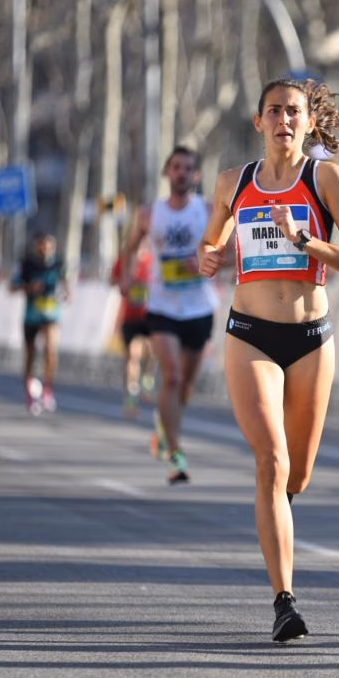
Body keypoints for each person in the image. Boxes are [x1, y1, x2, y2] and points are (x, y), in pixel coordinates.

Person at [197, 78, 339, 642]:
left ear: (309, 123)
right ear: (258, 121)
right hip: (249, 335)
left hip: (311, 339)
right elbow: (213, 243)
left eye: (293, 112)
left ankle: (281, 509)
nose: (284, 121)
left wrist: (308, 242)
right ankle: (284, 602)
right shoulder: (233, 182)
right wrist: (209, 255)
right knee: (270, 463)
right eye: (274, 111)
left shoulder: (325, 179)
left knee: (297, 473)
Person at [121, 146, 218, 483]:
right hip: (162, 307)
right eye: (176, 166)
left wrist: (207, 260)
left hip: (200, 307)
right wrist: (126, 275)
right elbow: (130, 249)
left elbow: (231, 252)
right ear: (167, 172)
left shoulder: (207, 210)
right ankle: (175, 454)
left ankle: (165, 426)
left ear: (196, 175)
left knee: (187, 384)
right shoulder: (150, 214)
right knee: (172, 376)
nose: (181, 173)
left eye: (188, 168)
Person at [11, 232, 68, 415]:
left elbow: (66, 285)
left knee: (50, 350)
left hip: (51, 314)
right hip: (31, 316)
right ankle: (29, 391)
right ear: (36, 246)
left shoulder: (59, 264)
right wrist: (29, 287)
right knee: (30, 354)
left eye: (49, 246)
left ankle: (47, 388)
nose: (45, 249)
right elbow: (12, 287)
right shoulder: (27, 264)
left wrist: (66, 292)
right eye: (41, 245)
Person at [110, 241, 153, 419]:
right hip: (129, 316)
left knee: (152, 353)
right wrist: (124, 282)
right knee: (132, 357)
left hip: (151, 315)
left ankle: (147, 378)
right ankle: (131, 393)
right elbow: (112, 280)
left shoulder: (153, 259)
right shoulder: (124, 260)